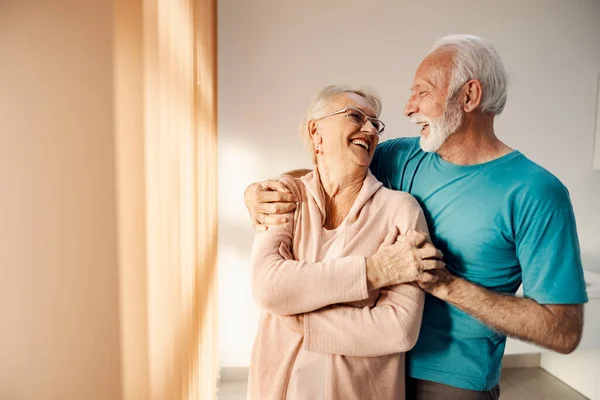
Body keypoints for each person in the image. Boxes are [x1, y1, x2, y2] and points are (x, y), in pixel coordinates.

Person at [244, 34, 588, 400]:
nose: (408, 108)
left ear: (469, 96)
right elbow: (330, 170)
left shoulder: (536, 192)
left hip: (450, 381)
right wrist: (260, 192)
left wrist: (445, 284)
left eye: (422, 92)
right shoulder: (404, 156)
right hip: (370, 370)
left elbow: (562, 330)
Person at [247, 85, 445, 400]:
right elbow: (268, 286)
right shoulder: (286, 195)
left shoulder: (400, 209)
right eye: (355, 116)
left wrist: (299, 319)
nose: (369, 129)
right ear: (316, 131)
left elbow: (399, 328)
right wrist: (375, 271)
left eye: (375, 123)